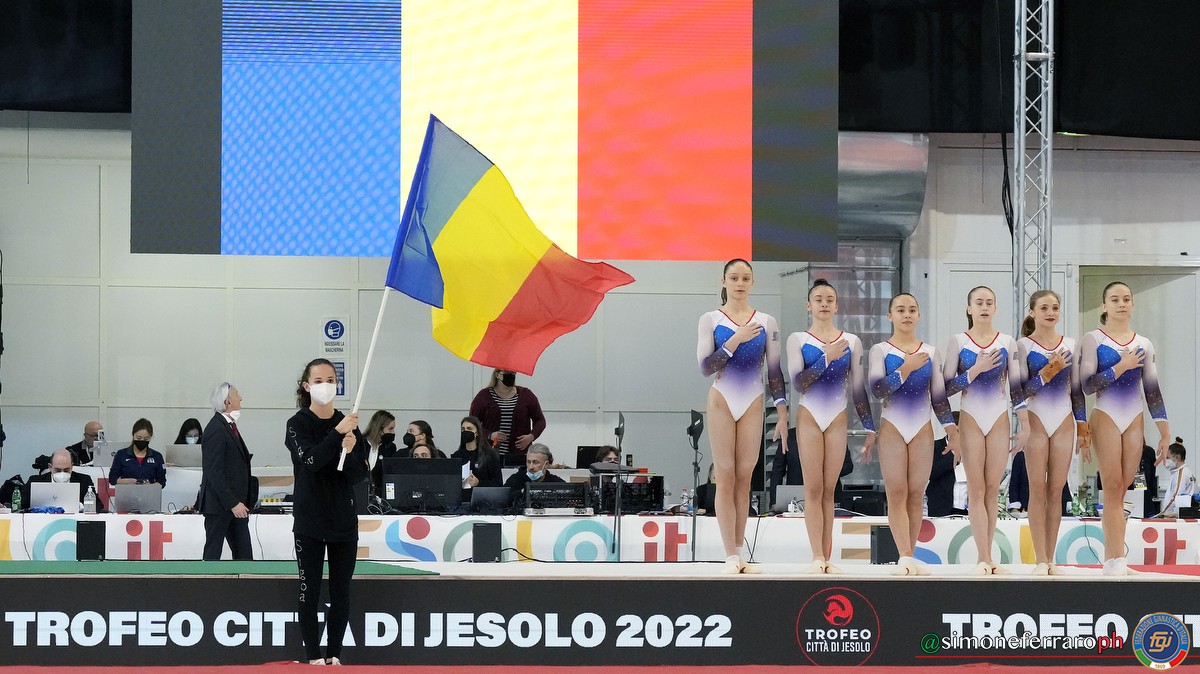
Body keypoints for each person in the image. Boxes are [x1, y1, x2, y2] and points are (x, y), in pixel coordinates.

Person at [697, 259, 788, 574]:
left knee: (745, 476)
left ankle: (739, 552)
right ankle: (729, 556)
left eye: (745, 278)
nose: (739, 283)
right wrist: (735, 339)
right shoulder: (710, 319)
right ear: (723, 281)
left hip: (752, 399)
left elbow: (774, 371)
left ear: (752, 282)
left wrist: (782, 412)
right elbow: (706, 367)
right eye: (734, 278)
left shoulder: (767, 321)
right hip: (722, 398)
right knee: (725, 474)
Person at [786, 278, 877, 574]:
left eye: (829, 299)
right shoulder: (798, 339)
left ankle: (827, 557)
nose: (824, 304)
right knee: (813, 488)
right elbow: (799, 383)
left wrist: (870, 427)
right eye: (819, 299)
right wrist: (827, 357)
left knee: (829, 489)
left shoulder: (852, 341)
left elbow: (859, 388)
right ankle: (816, 556)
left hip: (837, 417)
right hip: (810, 416)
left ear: (837, 306)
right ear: (808, 305)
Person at [1079, 281, 1169, 576]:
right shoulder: (1093, 339)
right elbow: (1087, 385)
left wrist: (1165, 432)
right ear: (1104, 305)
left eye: (1126, 299)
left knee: (1123, 489)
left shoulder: (1144, 343)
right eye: (1115, 299)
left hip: (1134, 416)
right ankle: (1116, 558)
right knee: (1112, 485)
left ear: (1132, 304)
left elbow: (1152, 391)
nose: (1121, 304)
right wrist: (1123, 365)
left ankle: (1113, 558)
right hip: (1105, 413)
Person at [285, 357, 369, 666]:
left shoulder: (350, 426)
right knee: (309, 592)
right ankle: (313, 657)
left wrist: (350, 450)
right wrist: (335, 435)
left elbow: (359, 475)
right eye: (319, 381)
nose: (326, 386)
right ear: (307, 386)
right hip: (310, 520)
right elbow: (310, 461)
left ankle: (334, 656)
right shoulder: (297, 424)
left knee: (341, 592)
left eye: (331, 380)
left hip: (343, 521)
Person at [869, 292, 958, 575]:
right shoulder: (881, 351)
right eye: (900, 310)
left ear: (919, 315)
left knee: (917, 494)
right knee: (897, 491)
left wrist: (951, 428)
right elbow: (877, 390)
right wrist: (905, 369)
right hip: (893, 426)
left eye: (912, 310)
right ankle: (904, 555)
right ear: (890, 315)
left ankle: (910, 554)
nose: (906, 314)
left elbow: (938, 396)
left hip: (921, 428)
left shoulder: (930, 352)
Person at [942, 286, 1030, 575]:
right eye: (978, 302)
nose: (984, 307)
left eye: (989, 302)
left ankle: (990, 557)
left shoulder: (1007, 342)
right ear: (969, 309)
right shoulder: (958, 341)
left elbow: (1016, 387)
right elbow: (945, 388)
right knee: (976, 488)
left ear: (995, 308)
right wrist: (975, 370)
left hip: (998, 418)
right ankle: (982, 556)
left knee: (992, 490)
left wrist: (1025, 424)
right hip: (970, 417)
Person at [1016, 289, 1091, 575]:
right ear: (1032, 312)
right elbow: (1019, 392)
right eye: (1044, 307)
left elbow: (1077, 392)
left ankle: (1051, 559)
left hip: (1063, 420)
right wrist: (1049, 370)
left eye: (1055, 307)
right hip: (1036, 418)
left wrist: (1083, 428)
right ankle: (1040, 558)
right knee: (1037, 489)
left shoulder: (1071, 345)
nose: (1050, 312)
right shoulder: (1023, 346)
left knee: (1056, 489)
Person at [198, 382, 253, 561]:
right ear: (227, 401)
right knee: (213, 554)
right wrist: (232, 503)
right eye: (237, 395)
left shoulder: (229, 427)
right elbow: (214, 471)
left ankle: (245, 580)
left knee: (244, 555)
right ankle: (207, 581)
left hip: (236, 505)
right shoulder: (216, 429)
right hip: (221, 506)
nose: (241, 398)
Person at [469, 369, 547, 455]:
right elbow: (471, 423)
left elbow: (540, 420)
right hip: (490, 452)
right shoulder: (483, 396)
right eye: (506, 373)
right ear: (497, 375)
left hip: (519, 452)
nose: (511, 375)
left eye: (513, 373)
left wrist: (531, 436)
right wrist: (489, 435)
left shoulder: (526, 395)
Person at [22, 449, 100, 511]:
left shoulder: (84, 480)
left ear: (72, 467)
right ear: (50, 467)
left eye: (66, 470)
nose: (62, 473)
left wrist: (81, 506)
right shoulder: (35, 481)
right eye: (58, 470)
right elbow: (21, 506)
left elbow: (99, 506)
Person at [108, 418, 167, 487]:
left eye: (146, 439)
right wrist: (127, 481)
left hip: (149, 492)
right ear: (133, 435)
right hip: (126, 492)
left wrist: (150, 485)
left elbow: (162, 483)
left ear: (150, 437)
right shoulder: (121, 454)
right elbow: (112, 479)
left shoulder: (157, 456)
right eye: (139, 438)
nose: (142, 440)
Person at [452, 416, 502, 488]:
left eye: (469, 429)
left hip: (483, 494)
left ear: (477, 432)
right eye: (463, 429)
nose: (465, 431)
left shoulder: (490, 455)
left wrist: (479, 483)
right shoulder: (457, 456)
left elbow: (498, 483)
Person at [926, 412, 961, 517]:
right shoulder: (935, 447)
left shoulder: (974, 449)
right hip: (940, 507)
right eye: (957, 431)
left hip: (967, 507)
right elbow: (930, 472)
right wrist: (953, 455)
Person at [364, 410, 399, 496]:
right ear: (379, 429)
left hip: (380, 494)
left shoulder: (390, 447)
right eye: (390, 429)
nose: (393, 432)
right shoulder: (360, 444)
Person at [1161, 438, 1195, 517]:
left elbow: (1175, 497)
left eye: (1167, 458)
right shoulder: (1181, 472)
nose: (1165, 461)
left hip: (1175, 515)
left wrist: (1163, 513)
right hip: (1178, 514)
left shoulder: (1182, 474)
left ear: (1177, 457)